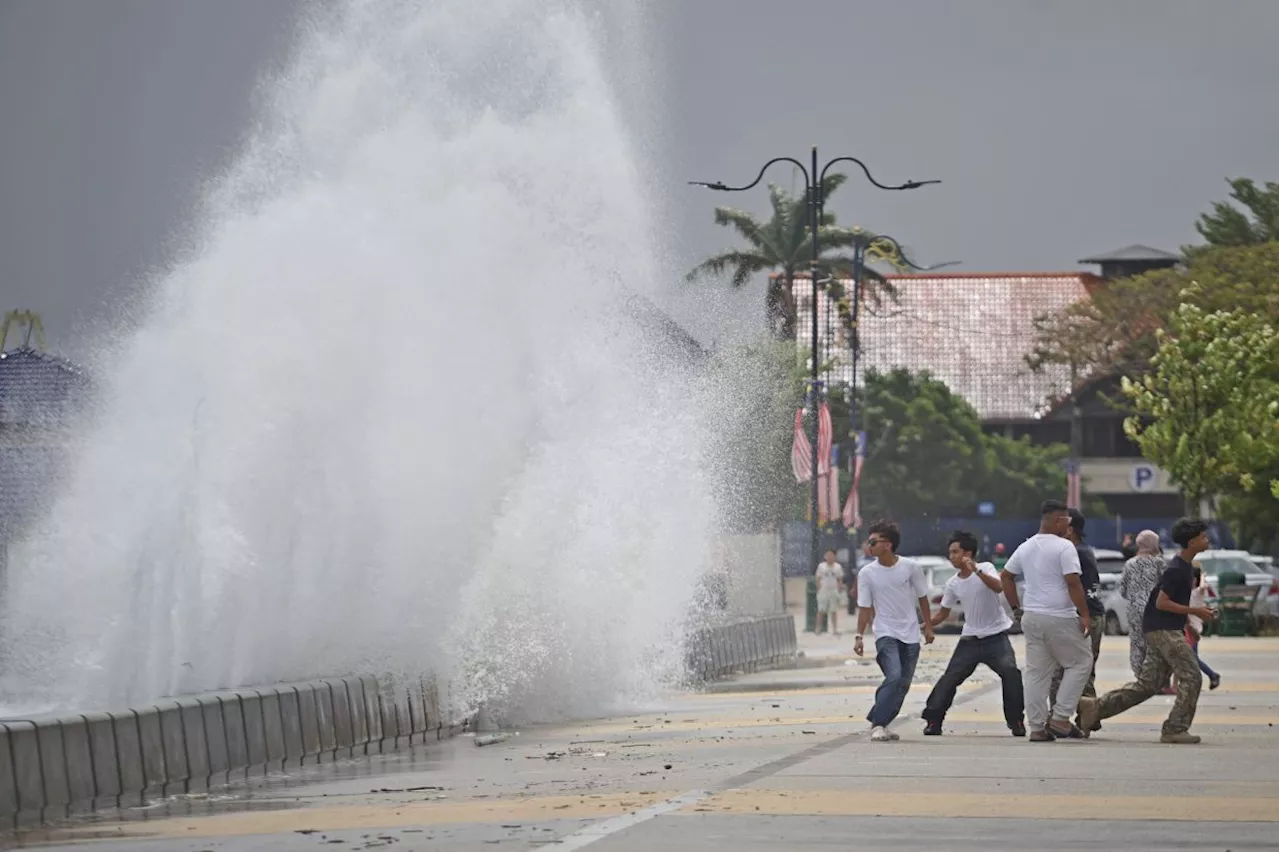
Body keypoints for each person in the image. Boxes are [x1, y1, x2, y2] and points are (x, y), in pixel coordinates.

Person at [1078, 518, 1215, 744]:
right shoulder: (1176, 569)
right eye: (1203, 537)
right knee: (1192, 676)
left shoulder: (1183, 567)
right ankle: (1175, 728)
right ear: (1192, 542)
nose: (1207, 540)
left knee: (1148, 685)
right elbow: (1162, 602)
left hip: (1162, 627)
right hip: (1162, 629)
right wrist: (1196, 612)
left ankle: (1094, 707)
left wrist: (1189, 623)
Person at [1000, 499, 1094, 742]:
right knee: (1081, 662)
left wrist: (1016, 609)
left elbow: (1006, 576)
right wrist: (1084, 614)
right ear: (1057, 520)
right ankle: (1061, 718)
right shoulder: (1064, 547)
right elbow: (1073, 582)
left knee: (1036, 673)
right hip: (1059, 615)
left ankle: (1037, 728)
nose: (1069, 525)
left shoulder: (1026, 547)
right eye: (1067, 520)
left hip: (1032, 616)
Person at [922, 531, 1026, 737]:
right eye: (949, 552)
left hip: (996, 637)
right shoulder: (953, 583)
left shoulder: (985, 568)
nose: (951, 556)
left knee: (1011, 674)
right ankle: (933, 720)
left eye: (955, 552)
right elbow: (943, 612)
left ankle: (1016, 721)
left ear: (968, 553)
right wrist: (925, 624)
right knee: (950, 678)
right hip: (970, 640)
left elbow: (998, 587)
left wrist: (976, 570)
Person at [854, 520, 935, 741]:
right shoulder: (867, 573)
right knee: (894, 675)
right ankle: (878, 724)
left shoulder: (910, 568)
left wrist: (928, 626)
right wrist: (859, 636)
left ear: (887, 545)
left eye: (873, 541)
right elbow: (864, 607)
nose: (869, 545)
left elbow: (922, 599)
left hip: (910, 633)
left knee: (903, 684)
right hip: (885, 631)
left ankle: (881, 719)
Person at [1048, 509, 1106, 735]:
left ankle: (1061, 718)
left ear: (1070, 529)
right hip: (1091, 615)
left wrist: (1084, 617)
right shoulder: (1082, 551)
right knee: (1084, 668)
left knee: (1067, 670)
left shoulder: (1076, 553)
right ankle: (1088, 717)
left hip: (1085, 617)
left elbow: (1075, 586)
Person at [1119, 530, 1166, 678]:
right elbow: (1166, 586)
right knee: (1156, 644)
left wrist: (1135, 598)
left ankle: (1140, 676)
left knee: (1137, 643)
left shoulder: (1129, 564)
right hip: (1155, 610)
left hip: (1134, 610)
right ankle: (1156, 678)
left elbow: (1122, 590)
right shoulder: (1159, 563)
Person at [1186, 560, 1221, 690]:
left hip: (1194, 629)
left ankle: (1212, 675)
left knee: (1192, 658)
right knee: (1191, 657)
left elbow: (1203, 587)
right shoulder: (1188, 592)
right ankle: (1208, 676)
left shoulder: (1197, 593)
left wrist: (1202, 576)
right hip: (1188, 628)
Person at [815, 549, 845, 635]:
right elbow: (818, 577)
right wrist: (819, 588)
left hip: (833, 590)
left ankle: (834, 629)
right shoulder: (821, 566)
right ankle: (818, 628)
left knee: (833, 610)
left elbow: (840, 579)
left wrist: (839, 589)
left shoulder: (837, 567)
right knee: (821, 610)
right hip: (824, 590)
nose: (829, 557)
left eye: (831, 555)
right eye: (828, 555)